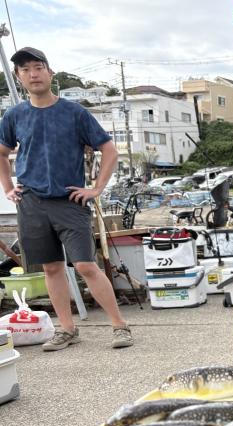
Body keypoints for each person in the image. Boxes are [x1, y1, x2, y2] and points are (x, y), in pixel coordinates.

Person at [0, 47, 133, 351]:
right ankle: (66, 329)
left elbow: (109, 150)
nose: (33, 74)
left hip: (70, 200)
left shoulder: (75, 113)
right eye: (25, 70)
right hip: (31, 201)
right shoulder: (15, 115)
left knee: (86, 265)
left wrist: (96, 188)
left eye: (38, 67)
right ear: (20, 78)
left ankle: (119, 326)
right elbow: (2, 153)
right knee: (51, 268)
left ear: (50, 72)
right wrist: (8, 186)